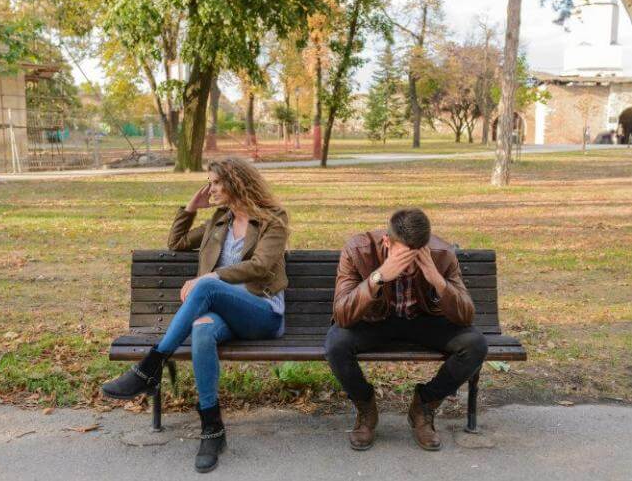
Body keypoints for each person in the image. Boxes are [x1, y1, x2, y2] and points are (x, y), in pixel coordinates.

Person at [101, 157, 289, 473]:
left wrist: (210, 278)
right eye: (210, 183)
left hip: (263, 312)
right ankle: (212, 429)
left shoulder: (273, 218)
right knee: (202, 330)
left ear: (235, 182)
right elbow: (175, 243)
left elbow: (261, 266)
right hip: (222, 314)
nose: (210, 188)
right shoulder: (218, 222)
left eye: (216, 182)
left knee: (206, 287)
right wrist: (190, 207)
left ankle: (150, 367)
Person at [324, 208, 487, 451]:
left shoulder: (441, 254)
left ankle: (424, 405)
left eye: (416, 258)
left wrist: (436, 279)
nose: (409, 267)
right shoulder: (358, 250)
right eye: (403, 258)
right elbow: (342, 315)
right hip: (375, 322)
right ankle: (366, 408)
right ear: (387, 241)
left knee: (475, 345)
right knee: (336, 344)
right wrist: (377, 278)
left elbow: (466, 316)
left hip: (423, 321)